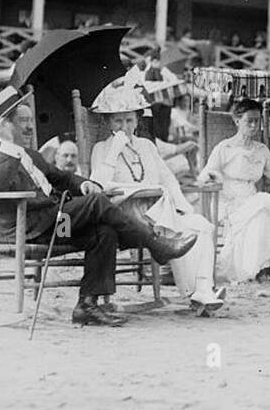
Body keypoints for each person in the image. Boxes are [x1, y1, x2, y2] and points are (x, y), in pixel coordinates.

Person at [0, 86, 197, 326]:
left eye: (30, 120)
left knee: (104, 233)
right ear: (4, 125)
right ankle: (155, 244)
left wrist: (86, 184)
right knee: (96, 203)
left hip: (56, 227)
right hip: (22, 228)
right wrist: (7, 145)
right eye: (23, 121)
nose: (29, 127)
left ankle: (86, 305)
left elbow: (64, 178)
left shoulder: (32, 155)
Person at [87, 85, 224, 314]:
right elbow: (98, 184)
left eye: (129, 121)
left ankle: (202, 289)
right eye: (118, 122)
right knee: (177, 230)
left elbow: (168, 179)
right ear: (109, 123)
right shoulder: (101, 149)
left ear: (137, 120)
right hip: (125, 215)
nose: (124, 127)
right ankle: (194, 292)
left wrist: (184, 208)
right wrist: (115, 152)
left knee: (201, 225)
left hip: (157, 211)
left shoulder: (147, 146)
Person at [199, 98, 270, 283]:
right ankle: (256, 268)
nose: (254, 125)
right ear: (237, 121)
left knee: (265, 213)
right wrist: (214, 177)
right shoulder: (225, 148)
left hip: (251, 199)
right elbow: (205, 175)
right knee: (264, 205)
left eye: (257, 121)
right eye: (249, 120)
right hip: (228, 202)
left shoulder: (262, 149)